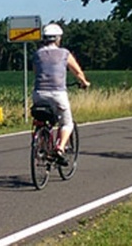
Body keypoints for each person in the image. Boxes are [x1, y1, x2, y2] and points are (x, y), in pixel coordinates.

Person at [32, 22, 90, 165]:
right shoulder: (64, 53)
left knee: (42, 118)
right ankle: (59, 148)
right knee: (67, 123)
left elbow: (36, 71)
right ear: (58, 38)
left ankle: (41, 142)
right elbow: (77, 71)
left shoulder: (37, 54)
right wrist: (84, 82)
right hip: (58, 93)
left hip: (38, 93)